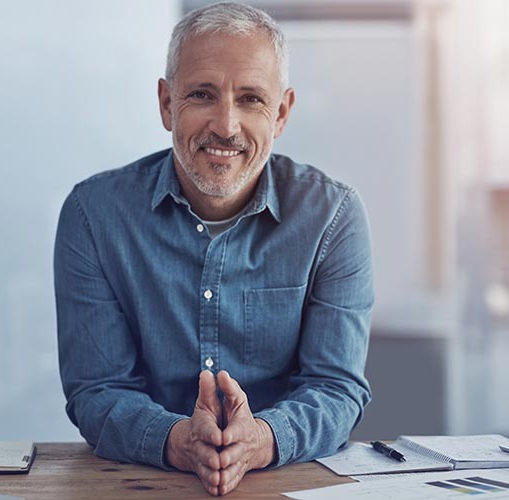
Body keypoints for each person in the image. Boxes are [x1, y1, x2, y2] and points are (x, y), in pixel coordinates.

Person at [54, 1, 374, 496]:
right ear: (166, 103)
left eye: (251, 99)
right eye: (203, 94)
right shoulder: (93, 215)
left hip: (288, 484)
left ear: (282, 112)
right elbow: (98, 390)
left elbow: (336, 389)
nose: (226, 125)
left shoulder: (332, 218)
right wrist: (177, 439)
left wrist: (261, 439)